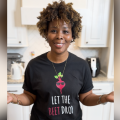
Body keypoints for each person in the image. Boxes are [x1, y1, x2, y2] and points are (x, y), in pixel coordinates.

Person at [7, 0, 114, 120]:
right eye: (53, 30)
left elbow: (86, 98)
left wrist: (105, 98)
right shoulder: (34, 65)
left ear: (72, 36)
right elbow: (29, 96)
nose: (59, 36)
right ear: (46, 34)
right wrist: (14, 97)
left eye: (65, 31)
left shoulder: (82, 65)